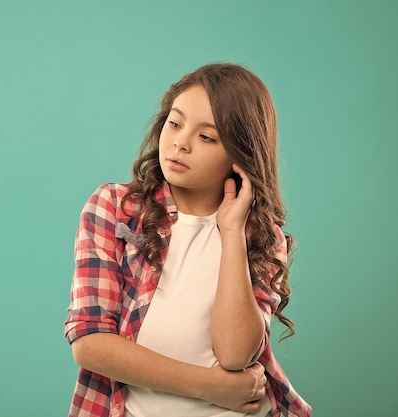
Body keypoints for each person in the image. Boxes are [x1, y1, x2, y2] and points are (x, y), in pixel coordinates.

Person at [64, 63, 312, 417]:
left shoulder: (261, 236)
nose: (181, 142)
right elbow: (90, 343)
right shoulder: (115, 208)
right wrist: (209, 386)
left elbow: (235, 354)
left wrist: (231, 233)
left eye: (207, 137)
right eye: (175, 123)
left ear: (240, 156)